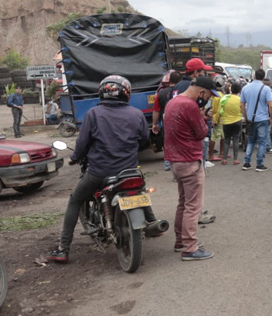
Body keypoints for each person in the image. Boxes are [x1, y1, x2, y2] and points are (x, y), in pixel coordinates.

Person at [48, 76, 165, 263]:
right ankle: (152, 223)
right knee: (139, 189)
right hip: (129, 170)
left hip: (100, 171)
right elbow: (144, 139)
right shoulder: (136, 114)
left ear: (102, 92)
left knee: (75, 200)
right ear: (126, 93)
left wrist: (74, 158)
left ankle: (63, 248)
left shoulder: (93, 114)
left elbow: (82, 143)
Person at [163, 75, 218, 261]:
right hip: (189, 161)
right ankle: (190, 247)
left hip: (176, 161)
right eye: (209, 96)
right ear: (201, 91)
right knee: (193, 206)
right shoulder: (190, 105)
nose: (208, 99)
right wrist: (202, 118)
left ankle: (180, 241)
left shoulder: (173, 101)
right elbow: (202, 132)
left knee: (183, 203)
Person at [240, 69, 272, 172]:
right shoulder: (266, 89)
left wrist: (246, 117)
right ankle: (259, 165)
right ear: (263, 77)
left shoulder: (245, 88)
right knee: (262, 142)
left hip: (251, 119)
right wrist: (271, 118)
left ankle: (246, 163)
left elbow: (241, 105)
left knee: (251, 141)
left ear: (254, 76)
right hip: (263, 119)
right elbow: (271, 106)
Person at [152, 70, 182, 171]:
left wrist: (154, 124)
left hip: (166, 121)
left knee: (167, 141)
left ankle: (167, 164)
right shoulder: (182, 91)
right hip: (180, 120)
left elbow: (156, 110)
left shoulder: (161, 93)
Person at [219, 82, 243, 165]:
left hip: (226, 122)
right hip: (237, 121)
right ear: (239, 90)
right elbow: (242, 110)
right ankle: (235, 159)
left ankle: (224, 159)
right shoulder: (240, 99)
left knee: (226, 140)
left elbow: (220, 110)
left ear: (231, 89)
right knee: (236, 140)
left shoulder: (225, 98)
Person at [208, 74, 226, 162]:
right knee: (217, 137)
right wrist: (215, 119)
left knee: (220, 136)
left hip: (213, 117)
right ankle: (213, 155)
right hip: (220, 119)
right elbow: (219, 110)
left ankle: (220, 153)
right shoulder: (222, 96)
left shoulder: (212, 95)